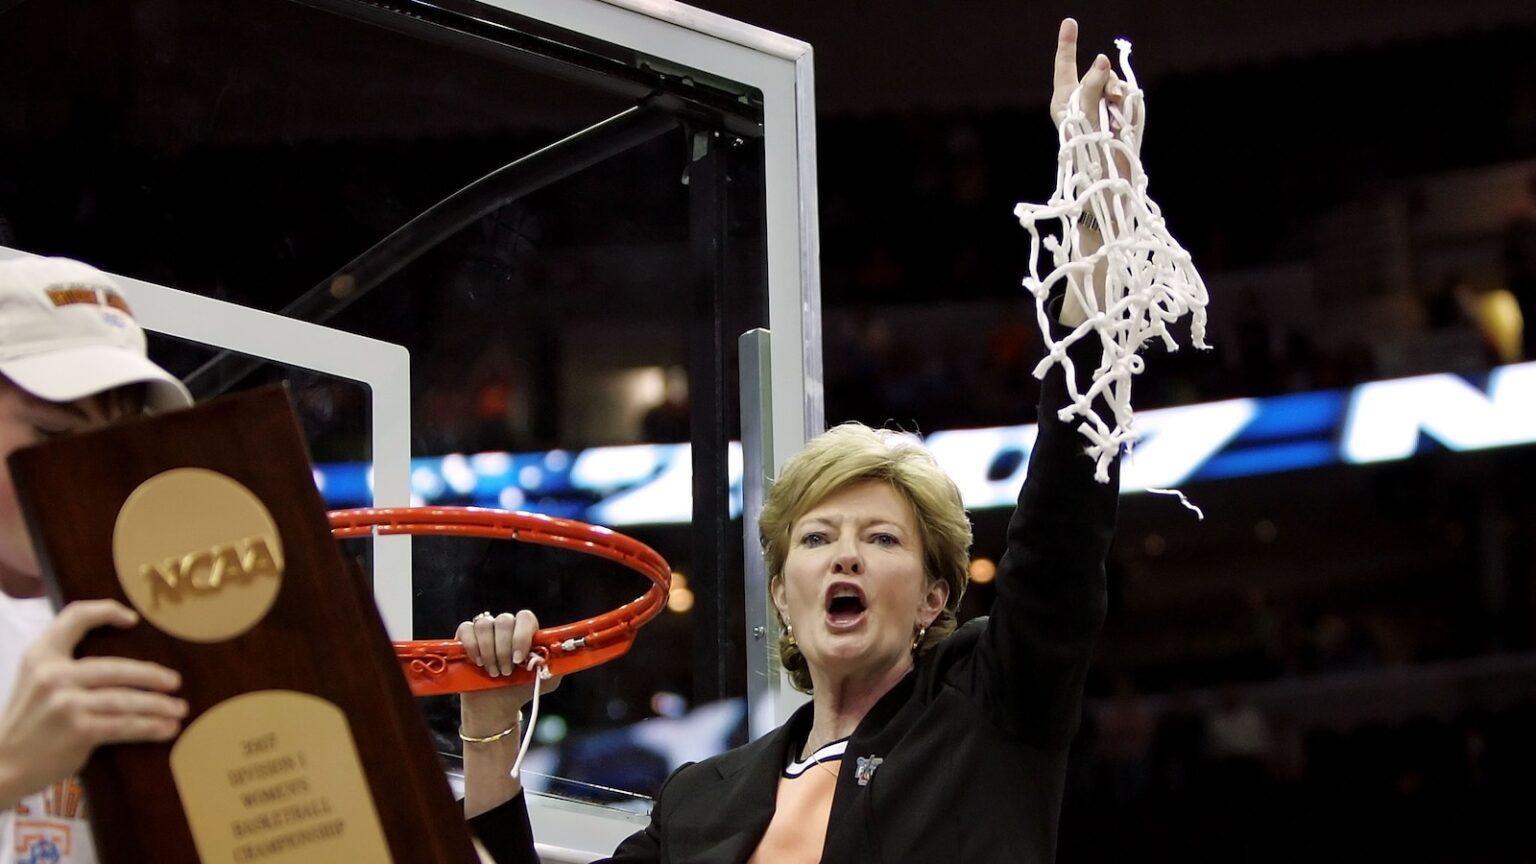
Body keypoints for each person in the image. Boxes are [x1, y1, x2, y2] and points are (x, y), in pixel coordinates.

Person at [458, 18, 1130, 862]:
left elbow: (1063, 523)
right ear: (781, 594)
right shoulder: (698, 800)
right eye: (817, 539)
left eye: (881, 539)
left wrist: (1092, 221)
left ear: (933, 600)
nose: (845, 555)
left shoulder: (985, 707)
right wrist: (489, 729)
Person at [0, 255, 194, 863]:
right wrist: (9, 768)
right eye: (53, 434)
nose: (88, 479)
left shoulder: (178, 617)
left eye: (117, 446)